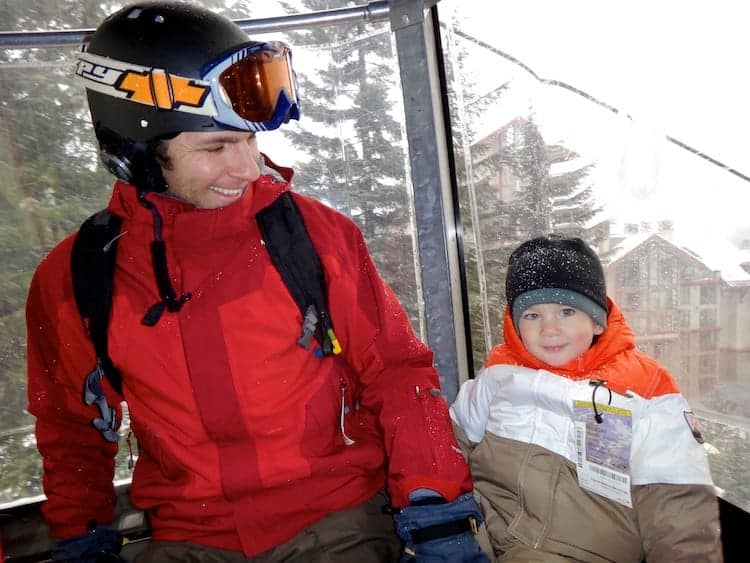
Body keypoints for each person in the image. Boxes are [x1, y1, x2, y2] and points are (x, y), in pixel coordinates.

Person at [25, 2, 488, 562]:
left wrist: (437, 511)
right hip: (186, 538)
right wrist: (81, 538)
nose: (248, 167)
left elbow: (397, 373)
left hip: (333, 522)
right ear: (136, 155)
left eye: (248, 140)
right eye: (216, 147)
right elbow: (72, 426)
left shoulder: (314, 236)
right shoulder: (80, 275)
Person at [450, 235, 723, 562]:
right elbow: (450, 442)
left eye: (566, 311)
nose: (549, 329)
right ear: (515, 323)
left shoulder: (645, 390)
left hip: (577, 549)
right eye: (532, 315)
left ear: (596, 320)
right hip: (484, 524)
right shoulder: (500, 373)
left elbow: (679, 508)